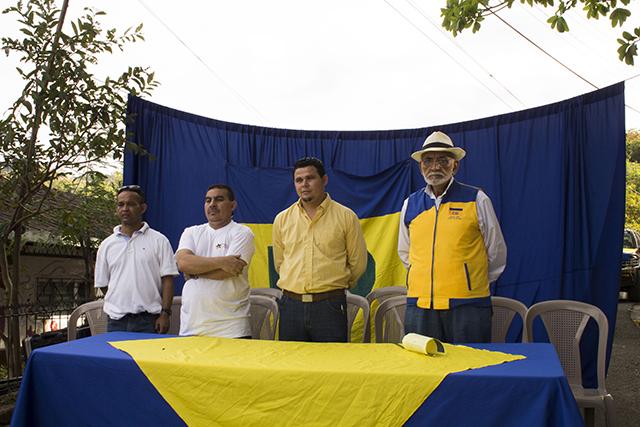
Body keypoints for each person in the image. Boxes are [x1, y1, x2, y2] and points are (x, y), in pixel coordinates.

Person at [398, 131, 507, 344]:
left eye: (442, 160)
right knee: (424, 371)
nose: (435, 167)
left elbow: (496, 251)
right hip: (420, 306)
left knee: (471, 369)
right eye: (428, 161)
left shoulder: (476, 199)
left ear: (455, 165)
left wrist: (471, 282)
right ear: (421, 166)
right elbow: (405, 252)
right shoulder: (410, 204)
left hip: (468, 306)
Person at [272, 157, 367, 342]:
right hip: (291, 306)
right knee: (292, 367)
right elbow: (280, 263)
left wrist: (334, 286)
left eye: (310, 178)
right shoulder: (282, 219)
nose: (304, 184)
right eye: (299, 180)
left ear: (324, 180)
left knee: (330, 367)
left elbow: (358, 263)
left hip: (330, 306)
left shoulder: (346, 217)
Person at [95, 185, 178, 333]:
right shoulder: (106, 245)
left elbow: (168, 280)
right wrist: (121, 303)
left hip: (149, 321)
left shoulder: (159, 240)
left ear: (143, 208)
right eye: (121, 204)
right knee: (115, 357)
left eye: (131, 204)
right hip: (116, 321)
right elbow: (104, 284)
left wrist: (165, 314)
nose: (125, 208)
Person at [175, 184, 255, 338]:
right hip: (192, 327)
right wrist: (222, 261)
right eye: (208, 200)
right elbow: (183, 263)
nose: (212, 204)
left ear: (233, 205)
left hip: (231, 328)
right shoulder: (191, 232)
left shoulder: (242, 232)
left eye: (219, 199)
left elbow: (228, 271)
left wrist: (194, 273)